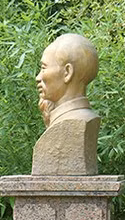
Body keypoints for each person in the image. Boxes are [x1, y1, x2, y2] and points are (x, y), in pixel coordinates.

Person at [32, 33, 101, 175]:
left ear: (67, 72)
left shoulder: (78, 122)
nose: (38, 77)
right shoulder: (84, 119)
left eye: (44, 68)